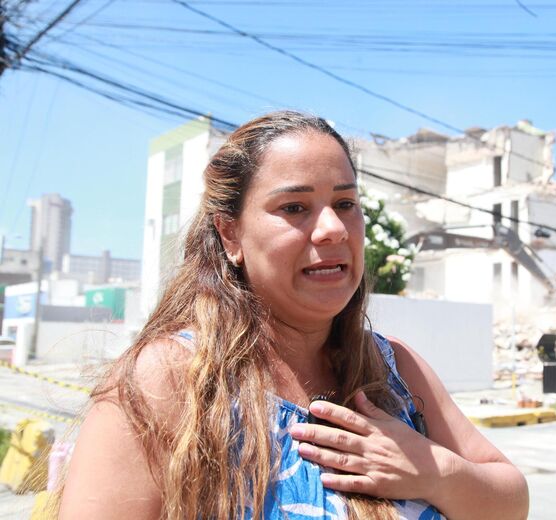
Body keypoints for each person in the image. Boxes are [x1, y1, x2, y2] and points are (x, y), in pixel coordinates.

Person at [58, 111, 529, 520]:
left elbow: (511, 501)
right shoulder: (166, 381)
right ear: (230, 235)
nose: (332, 229)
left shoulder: (396, 369)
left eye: (345, 204)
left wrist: (432, 471)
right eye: (294, 207)